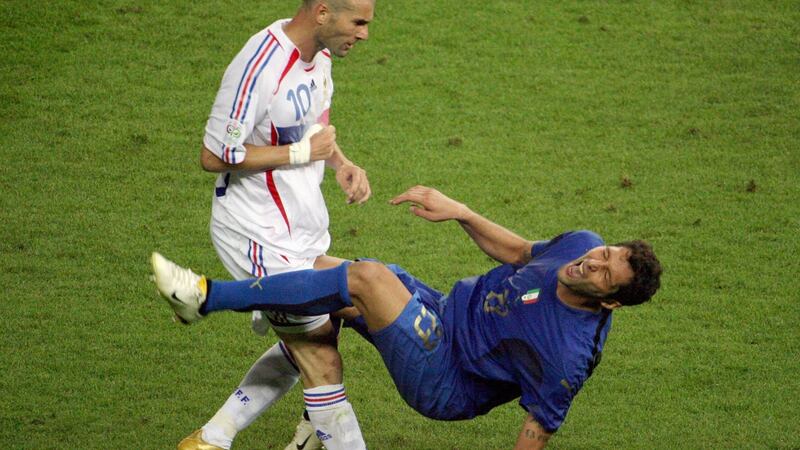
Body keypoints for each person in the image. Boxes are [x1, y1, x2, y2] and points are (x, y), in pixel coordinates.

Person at [152, 185, 663, 449]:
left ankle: (205, 298)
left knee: (366, 281)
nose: (592, 262)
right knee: (320, 278)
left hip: (447, 379)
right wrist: (461, 211)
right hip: (442, 310)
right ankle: (223, 434)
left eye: (603, 274)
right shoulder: (583, 245)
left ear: (610, 302)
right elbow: (520, 252)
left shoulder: (568, 355)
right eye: (606, 252)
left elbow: (539, 429)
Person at [187, 0, 375, 449]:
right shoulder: (259, 65)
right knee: (320, 358)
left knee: (338, 311)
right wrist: (299, 155)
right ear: (324, 12)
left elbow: (315, 124)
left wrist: (340, 162)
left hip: (301, 224)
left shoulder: (321, 55)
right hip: (256, 232)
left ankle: (212, 438)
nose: (365, 34)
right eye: (359, 22)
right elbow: (214, 156)